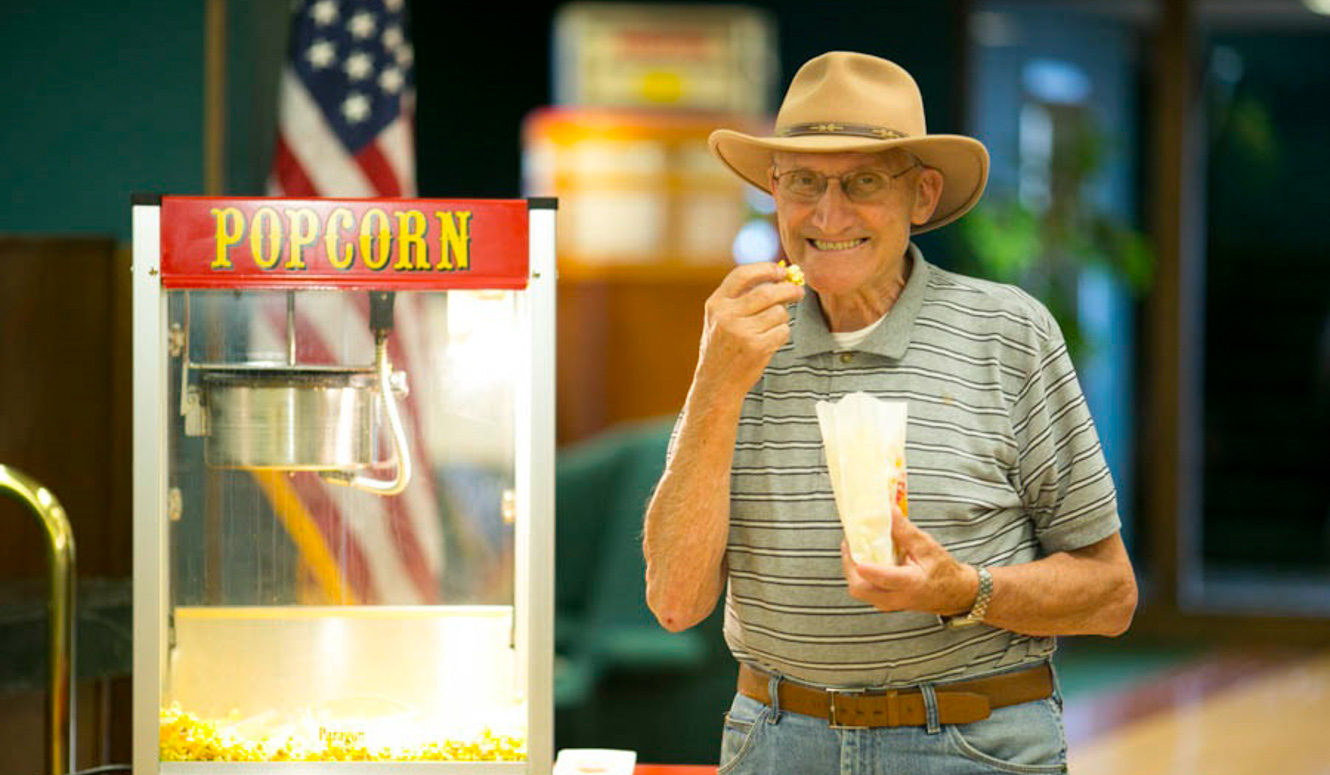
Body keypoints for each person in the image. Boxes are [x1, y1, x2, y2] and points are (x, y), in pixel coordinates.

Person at [642, 51, 1137, 774]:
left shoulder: (1009, 333)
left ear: (923, 195)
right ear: (773, 192)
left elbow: (1111, 595)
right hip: (776, 742)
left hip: (976, 742)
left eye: (864, 181)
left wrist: (967, 590)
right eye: (803, 181)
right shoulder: (738, 338)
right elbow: (676, 601)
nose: (828, 214)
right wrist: (716, 387)